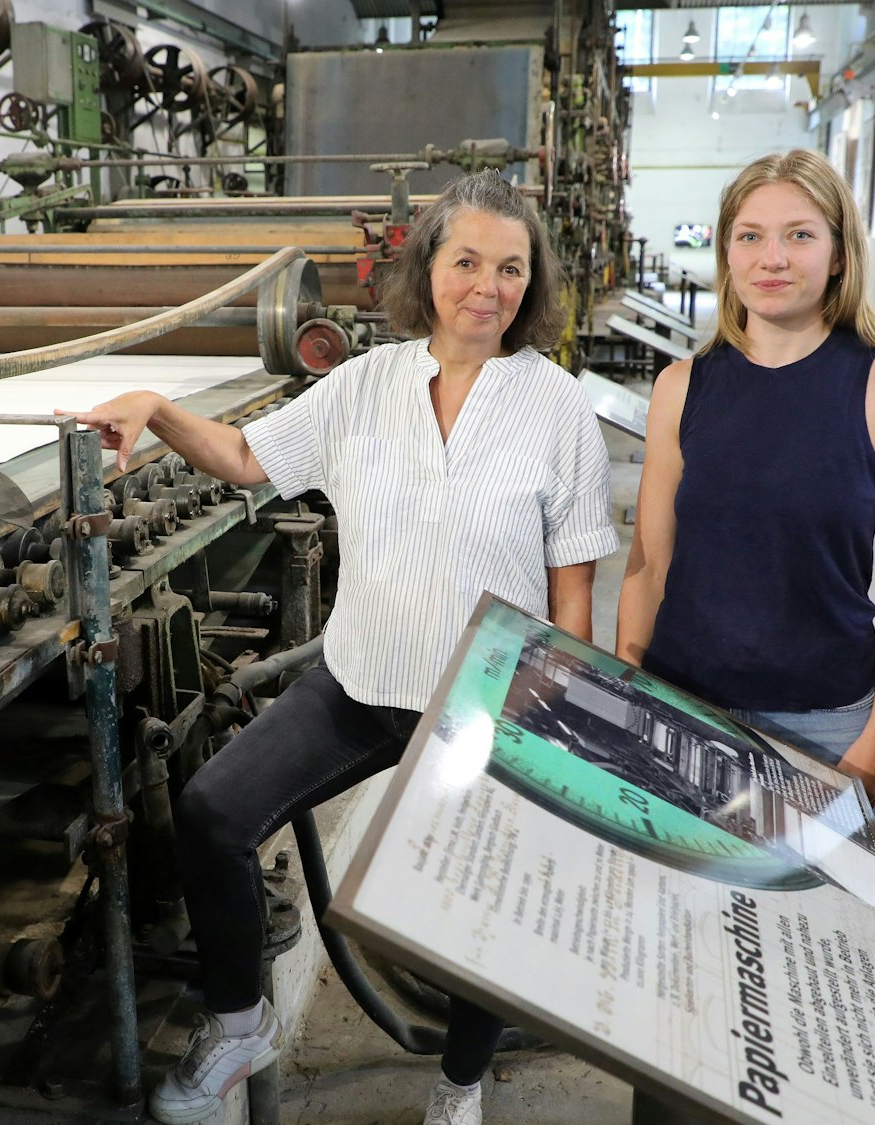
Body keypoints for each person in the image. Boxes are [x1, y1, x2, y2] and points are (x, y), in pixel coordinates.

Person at [63, 170, 616, 1125]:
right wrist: (154, 406)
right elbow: (246, 459)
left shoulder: (558, 408)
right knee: (213, 812)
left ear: (534, 286)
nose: (488, 287)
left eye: (511, 269)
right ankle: (241, 1025)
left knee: (472, 906)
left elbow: (572, 587)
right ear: (428, 269)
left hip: (486, 705)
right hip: (360, 681)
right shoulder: (364, 385)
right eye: (467, 261)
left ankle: (459, 1084)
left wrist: (554, 724)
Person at [613, 149, 875, 811]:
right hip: (683, 710)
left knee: (804, 916)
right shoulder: (681, 388)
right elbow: (649, 563)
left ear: (840, 253)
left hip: (824, 723)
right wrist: (630, 692)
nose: (773, 258)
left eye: (800, 234)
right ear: (727, 253)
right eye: (751, 236)